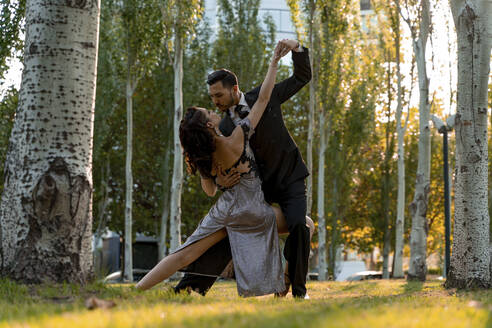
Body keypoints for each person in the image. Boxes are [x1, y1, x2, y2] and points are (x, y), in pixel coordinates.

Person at [137, 41, 309, 297]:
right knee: (226, 237)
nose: (214, 104)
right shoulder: (229, 132)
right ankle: (190, 287)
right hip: (252, 201)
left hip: (265, 188)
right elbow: (260, 102)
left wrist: (297, 48)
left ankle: (297, 289)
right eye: (210, 102)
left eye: (217, 97)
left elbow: (299, 78)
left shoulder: (209, 145)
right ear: (208, 125)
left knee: (299, 226)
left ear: (234, 89)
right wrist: (273, 62)